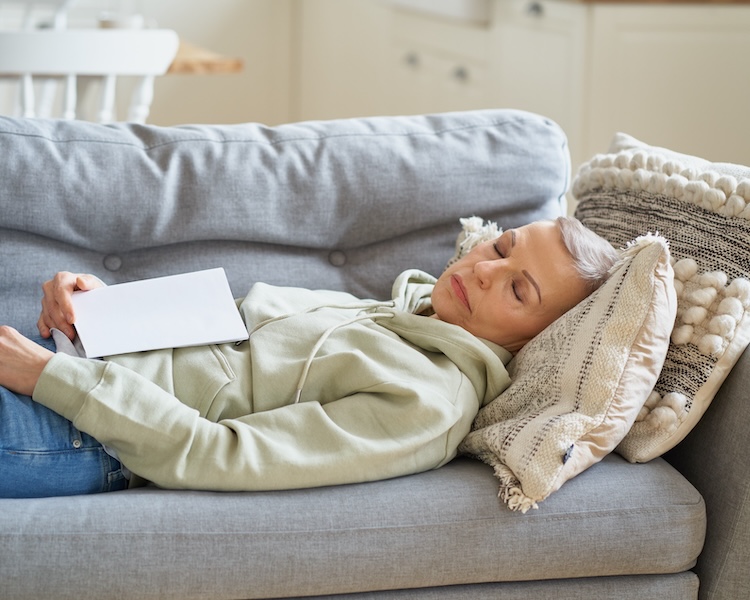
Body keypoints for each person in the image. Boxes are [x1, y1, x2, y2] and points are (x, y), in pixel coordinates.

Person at [0, 217, 618, 498]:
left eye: (518, 288)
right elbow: (219, 355)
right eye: (503, 246)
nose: (485, 269)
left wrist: (51, 377)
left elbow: (221, 451)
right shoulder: (392, 314)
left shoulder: (427, 402)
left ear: (540, 339)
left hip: (80, 432)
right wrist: (105, 312)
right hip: (77, 366)